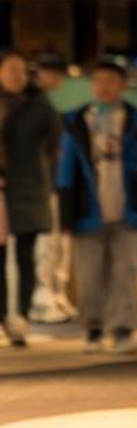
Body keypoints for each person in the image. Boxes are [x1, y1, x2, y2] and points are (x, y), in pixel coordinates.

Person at [57, 60, 137, 354]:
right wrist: (66, 214)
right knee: (89, 274)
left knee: (125, 272)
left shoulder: (136, 122)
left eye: (111, 81)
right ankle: (93, 329)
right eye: (99, 80)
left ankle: (123, 330)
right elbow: (65, 171)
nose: (104, 86)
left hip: (128, 210)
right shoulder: (77, 123)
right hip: (88, 211)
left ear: (122, 85)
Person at [0, 51, 63, 347]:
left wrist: (47, 178)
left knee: (26, 256)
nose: (16, 76)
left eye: (21, 71)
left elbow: (55, 144)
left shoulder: (40, 105)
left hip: (28, 187)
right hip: (2, 189)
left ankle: (21, 318)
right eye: (10, 70)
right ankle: (3, 317)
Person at [29, 51, 75, 325]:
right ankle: (42, 297)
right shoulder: (31, 102)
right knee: (45, 242)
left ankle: (57, 293)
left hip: (55, 180)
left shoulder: (50, 104)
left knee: (60, 241)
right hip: (39, 182)